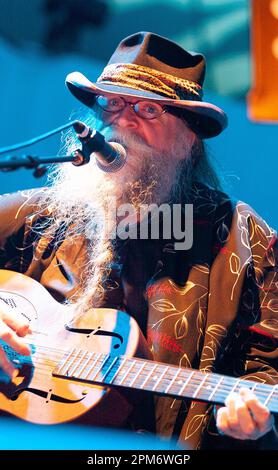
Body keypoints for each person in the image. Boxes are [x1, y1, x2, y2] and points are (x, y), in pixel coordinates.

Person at [0, 31, 277, 450]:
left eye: (148, 109)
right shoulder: (40, 216)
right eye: (111, 103)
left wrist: (253, 429)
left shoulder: (243, 239)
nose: (123, 121)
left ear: (188, 141)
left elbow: (266, 367)